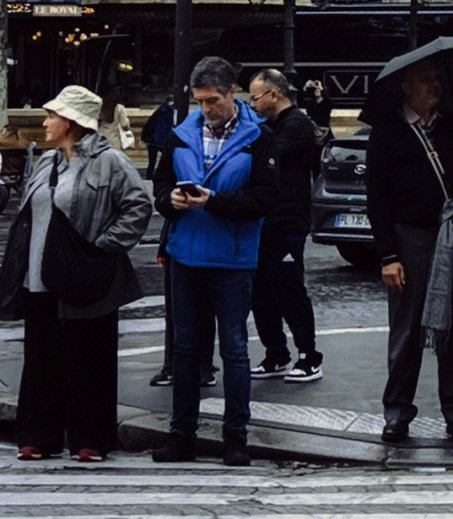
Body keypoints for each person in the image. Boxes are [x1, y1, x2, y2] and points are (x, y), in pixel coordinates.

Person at [0, 85, 151, 461]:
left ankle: (90, 439)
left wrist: (102, 246)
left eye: (52, 115)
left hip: (84, 276)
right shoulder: (45, 162)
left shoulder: (110, 161)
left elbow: (138, 207)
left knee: (89, 358)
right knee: (41, 358)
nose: (45, 121)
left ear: (71, 122)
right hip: (38, 277)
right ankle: (38, 436)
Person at [151, 56, 278, 467]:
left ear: (233, 93)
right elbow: (161, 184)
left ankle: (235, 437)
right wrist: (169, 200)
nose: (207, 109)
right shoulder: (180, 133)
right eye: (200, 101)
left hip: (233, 257)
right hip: (186, 254)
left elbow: (265, 198)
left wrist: (216, 202)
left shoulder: (260, 137)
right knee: (186, 350)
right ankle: (180, 435)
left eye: (214, 101)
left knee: (235, 350)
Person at [365, 58, 453, 445]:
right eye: (425, 81)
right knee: (406, 330)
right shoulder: (387, 132)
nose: (433, 87)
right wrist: (387, 255)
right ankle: (397, 411)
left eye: (436, 80)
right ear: (406, 87)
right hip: (408, 238)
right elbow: (377, 200)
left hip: (449, 237)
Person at [248, 69, 323, 382]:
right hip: (264, 220)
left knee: (289, 288)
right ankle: (275, 353)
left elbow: (267, 156)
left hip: (288, 221)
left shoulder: (297, 125)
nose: (251, 104)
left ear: (274, 95)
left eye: (255, 97)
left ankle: (309, 355)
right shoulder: (270, 125)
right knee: (261, 291)